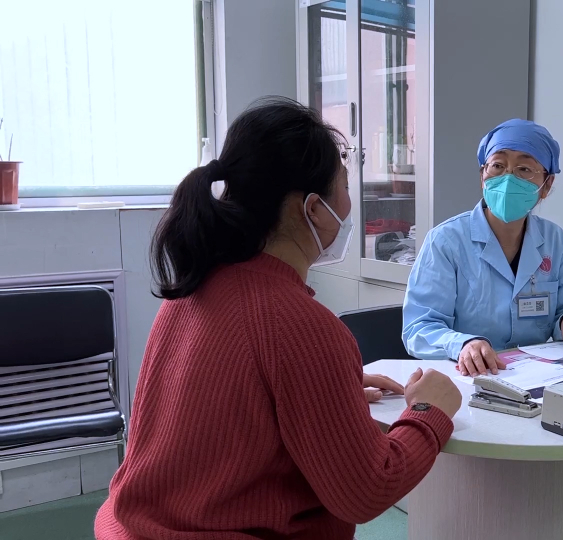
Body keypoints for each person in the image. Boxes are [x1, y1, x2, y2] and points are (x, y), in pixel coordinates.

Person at [95, 97, 462, 540]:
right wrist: (428, 411)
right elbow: (367, 491)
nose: (350, 204)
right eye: (345, 187)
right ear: (312, 209)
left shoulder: (192, 287)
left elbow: (226, 407)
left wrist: (325, 392)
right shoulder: (301, 325)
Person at [402, 119, 563, 376]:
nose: (508, 178)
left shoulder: (556, 241)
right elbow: (419, 328)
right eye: (497, 165)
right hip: (469, 378)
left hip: (535, 377)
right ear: (482, 176)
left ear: (547, 185)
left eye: (524, 169)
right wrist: (462, 344)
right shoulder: (446, 241)